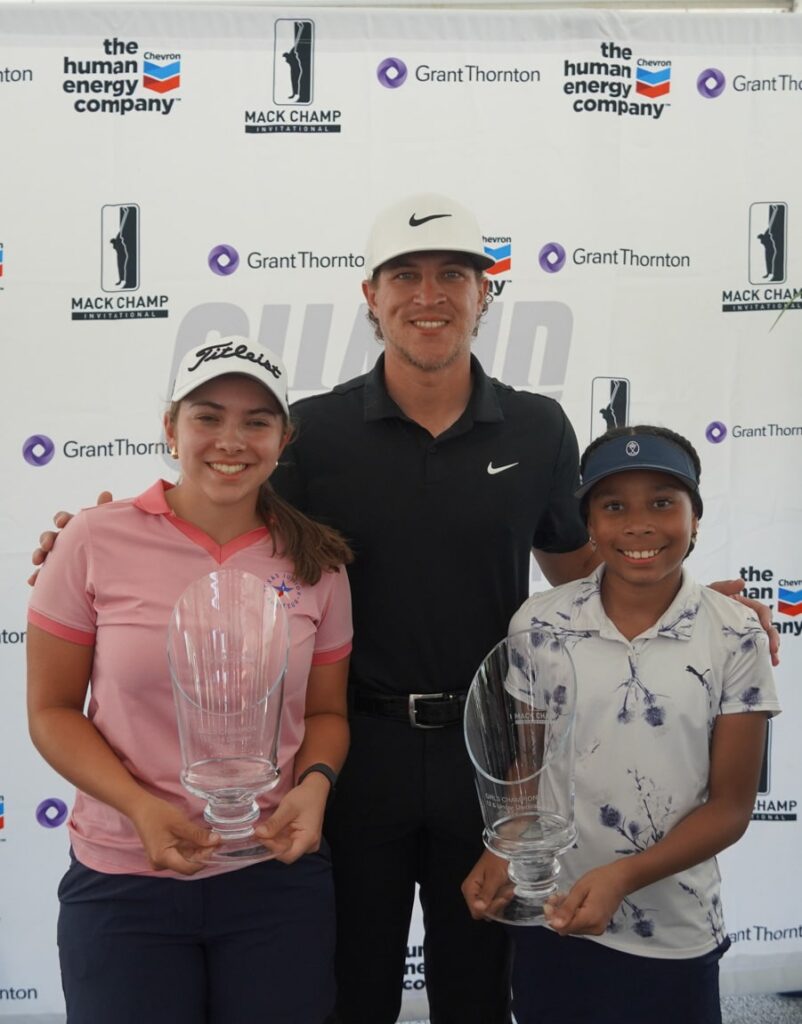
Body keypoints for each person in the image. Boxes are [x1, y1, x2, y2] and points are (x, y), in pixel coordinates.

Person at [31, 195, 779, 1024]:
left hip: (492, 758)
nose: (431, 295)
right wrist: (85, 536)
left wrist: (685, 599)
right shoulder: (312, 431)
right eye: (406, 277)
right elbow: (218, 513)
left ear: (484, 295)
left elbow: (581, 576)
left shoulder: (536, 427)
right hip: (356, 755)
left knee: (477, 994)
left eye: (454, 275)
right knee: (352, 993)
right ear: (371, 297)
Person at [27, 338, 354, 1024]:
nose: (230, 440)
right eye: (207, 416)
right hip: (124, 883)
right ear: (170, 429)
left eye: (256, 421)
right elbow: (53, 711)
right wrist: (139, 807)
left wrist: (316, 786)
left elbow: (326, 715)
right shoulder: (91, 540)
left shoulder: (318, 562)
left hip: (273, 881)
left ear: (283, 439)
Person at [462, 425, 780, 1024]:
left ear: (696, 517)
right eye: (614, 506)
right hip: (554, 913)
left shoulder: (736, 633)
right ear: (589, 525)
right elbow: (529, 765)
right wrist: (502, 847)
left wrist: (623, 876)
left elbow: (731, 807)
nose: (639, 524)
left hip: (674, 927)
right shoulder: (539, 623)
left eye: (663, 502)